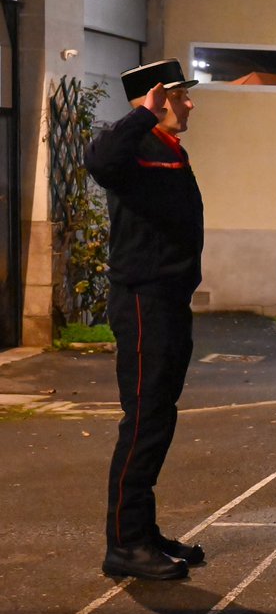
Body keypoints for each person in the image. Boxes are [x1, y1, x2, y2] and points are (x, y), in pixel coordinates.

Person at [85, 59, 205, 581]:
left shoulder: (168, 149)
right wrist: (141, 114)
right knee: (142, 422)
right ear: (156, 98)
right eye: (180, 96)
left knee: (159, 418)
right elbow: (102, 164)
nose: (189, 104)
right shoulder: (131, 143)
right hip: (143, 300)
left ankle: (143, 531)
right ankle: (125, 543)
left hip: (170, 298)